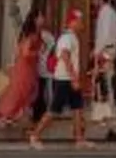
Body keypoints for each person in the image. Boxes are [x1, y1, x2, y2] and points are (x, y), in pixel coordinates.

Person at [30, 8, 89, 149]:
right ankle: (35, 136)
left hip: (69, 78)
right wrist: (74, 78)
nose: (82, 24)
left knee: (77, 108)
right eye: (79, 21)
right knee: (54, 110)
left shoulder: (72, 37)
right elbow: (65, 56)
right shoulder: (67, 38)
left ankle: (79, 139)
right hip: (63, 79)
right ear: (72, 22)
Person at [0, 10, 44, 129]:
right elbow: (25, 53)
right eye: (40, 16)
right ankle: (4, 114)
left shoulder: (35, 34)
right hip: (24, 67)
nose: (43, 19)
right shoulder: (31, 35)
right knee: (19, 91)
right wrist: (38, 53)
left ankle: (8, 115)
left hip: (28, 67)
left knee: (26, 91)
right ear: (35, 19)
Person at [90, 0, 116, 143]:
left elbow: (105, 35)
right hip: (107, 52)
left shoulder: (106, 13)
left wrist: (97, 53)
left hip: (105, 53)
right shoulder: (109, 12)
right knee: (105, 89)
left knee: (106, 89)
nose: (93, 1)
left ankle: (111, 126)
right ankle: (108, 124)